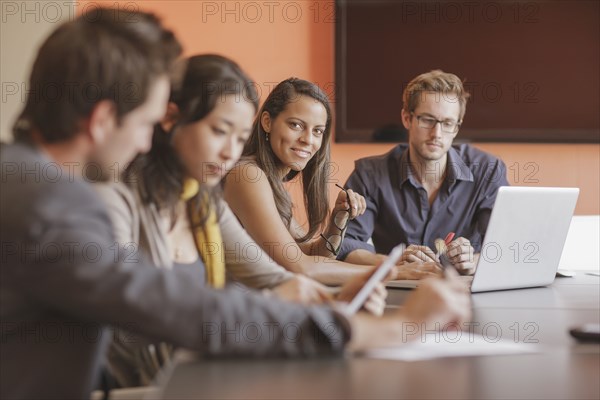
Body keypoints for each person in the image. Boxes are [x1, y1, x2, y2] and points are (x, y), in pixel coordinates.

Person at [0, 11, 471, 399]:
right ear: (103, 120)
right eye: (148, 123)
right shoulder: (50, 204)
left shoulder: (32, 182)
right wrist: (393, 329)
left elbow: (262, 285)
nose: (149, 139)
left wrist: (323, 303)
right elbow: (176, 310)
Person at [94, 54, 386, 387]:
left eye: (238, 137)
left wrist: (334, 300)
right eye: (220, 131)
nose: (230, 152)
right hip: (140, 387)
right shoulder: (116, 199)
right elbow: (135, 316)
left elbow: (279, 278)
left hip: (202, 374)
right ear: (171, 120)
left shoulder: (203, 202)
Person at [339, 70, 509, 275]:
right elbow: (345, 245)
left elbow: (505, 246)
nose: (436, 134)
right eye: (427, 120)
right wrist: (393, 262)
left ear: (456, 128)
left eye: (447, 123)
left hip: (461, 295)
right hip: (394, 291)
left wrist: (474, 261)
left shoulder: (488, 171)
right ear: (407, 118)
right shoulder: (369, 174)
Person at [224, 78, 384, 285]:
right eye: (296, 125)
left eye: (317, 130)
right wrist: (393, 273)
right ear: (267, 122)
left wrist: (339, 218)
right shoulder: (247, 176)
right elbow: (301, 267)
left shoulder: (270, 182)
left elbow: (313, 253)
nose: (308, 139)